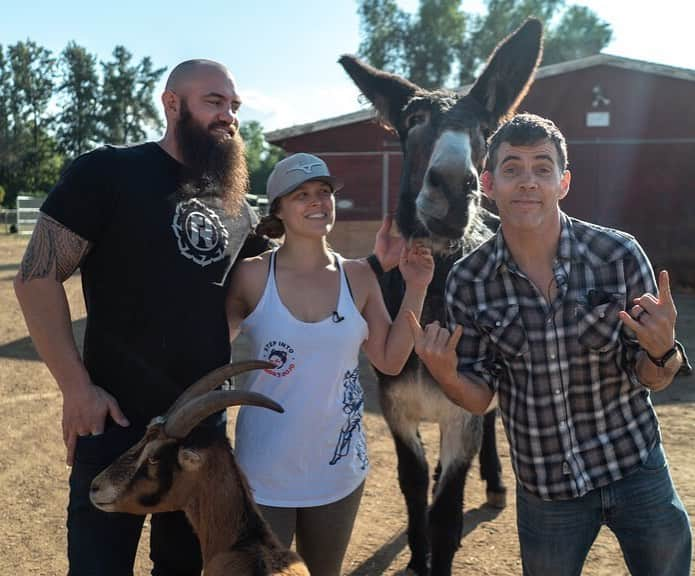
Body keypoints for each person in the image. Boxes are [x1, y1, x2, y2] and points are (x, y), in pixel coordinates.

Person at [13, 60, 403, 575]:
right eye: (214, 102)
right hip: (115, 420)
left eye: (234, 106)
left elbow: (300, 270)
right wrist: (76, 388)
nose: (229, 116)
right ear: (172, 104)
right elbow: (36, 277)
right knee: (98, 566)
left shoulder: (234, 206)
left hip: (200, 438)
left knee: (182, 568)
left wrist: (384, 268)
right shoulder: (108, 172)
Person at [407, 113, 692, 576]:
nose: (527, 182)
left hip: (636, 467)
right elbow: (481, 398)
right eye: (512, 167)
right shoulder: (469, 281)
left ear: (563, 182)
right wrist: (446, 376)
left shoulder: (617, 255)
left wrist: (662, 351)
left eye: (542, 167)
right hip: (546, 489)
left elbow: (651, 377)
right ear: (488, 183)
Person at [225, 152, 434, 576]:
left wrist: (416, 287)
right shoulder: (250, 276)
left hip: (337, 471)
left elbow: (391, 361)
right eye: (302, 194)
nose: (318, 201)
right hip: (263, 471)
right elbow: (206, 349)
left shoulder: (358, 276)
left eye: (324, 192)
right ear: (278, 209)